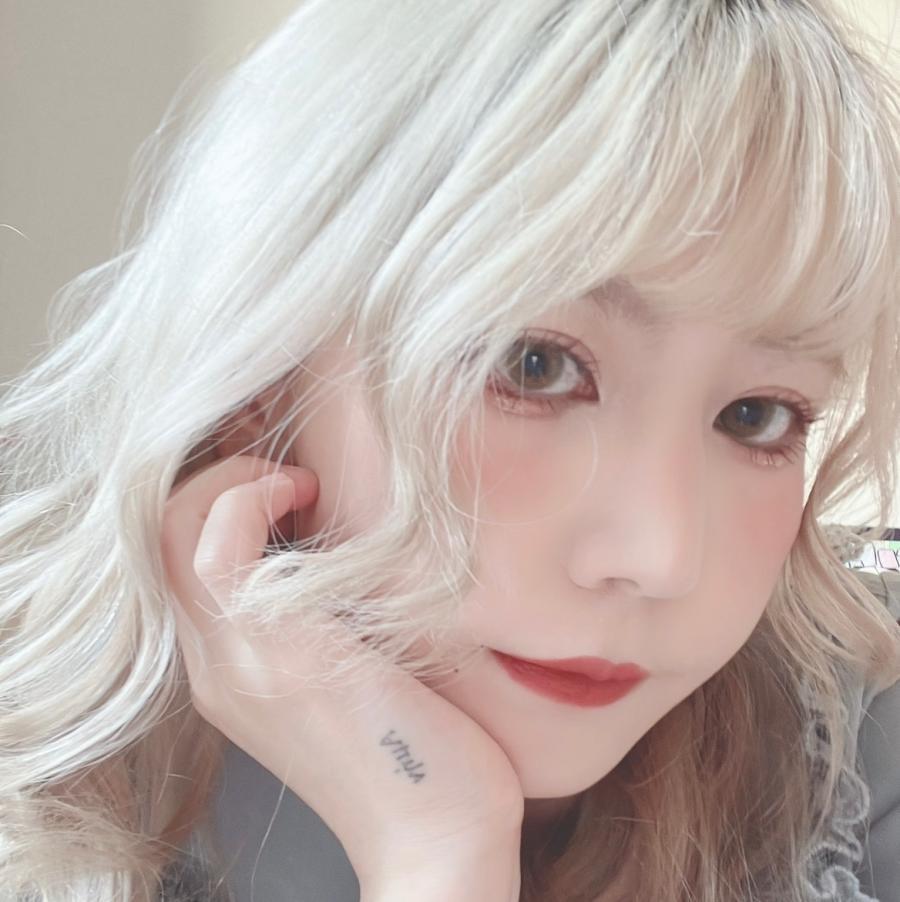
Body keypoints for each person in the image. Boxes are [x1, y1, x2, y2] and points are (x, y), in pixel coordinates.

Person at [1, 0, 898, 900]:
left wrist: (435, 855)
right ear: (261, 375)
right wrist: (440, 843)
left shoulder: (862, 765)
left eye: (756, 416)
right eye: (533, 365)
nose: (661, 558)